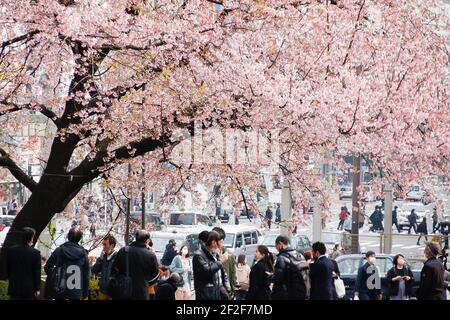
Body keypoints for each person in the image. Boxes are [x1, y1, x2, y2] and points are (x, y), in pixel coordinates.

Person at [110, 229, 160, 300]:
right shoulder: (151, 255)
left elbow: (113, 271)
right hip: (141, 293)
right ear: (147, 241)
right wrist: (145, 283)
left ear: (135, 238)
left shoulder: (123, 251)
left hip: (123, 292)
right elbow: (155, 276)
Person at [44, 228, 89, 300]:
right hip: (75, 290)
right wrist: (85, 294)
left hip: (59, 288)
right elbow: (86, 275)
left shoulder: (59, 250)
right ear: (80, 238)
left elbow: (47, 267)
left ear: (68, 236)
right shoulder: (83, 254)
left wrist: (55, 275)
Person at [6, 227, 41, 300]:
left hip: (14, 286)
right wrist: (37, 288)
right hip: (29, 288)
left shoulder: (11, 250)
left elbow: (8, 268)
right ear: (31, 238)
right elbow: (37, 272)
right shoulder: (35, 253)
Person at [192, 230, 229, 300]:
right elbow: (207, 271)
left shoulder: (215, 254)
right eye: (220, 242)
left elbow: (221, 275)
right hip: (206, 295)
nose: (221, 245)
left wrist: (227, 290)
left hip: (217, 293)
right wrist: (220, 261)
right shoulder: (198, 256)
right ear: (213, 243)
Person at [270, 235, 308, 300]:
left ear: (280, 244)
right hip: (302, 292)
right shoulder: (300, 255)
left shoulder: (282, 258)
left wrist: (270, 277)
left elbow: (278, 278)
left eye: (276, 246)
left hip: (287, 294)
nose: (276, 248)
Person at [91, 234, 118, 300]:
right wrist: (100, 259)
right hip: (102, 290)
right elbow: (94, 270)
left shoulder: (118, 257)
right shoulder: (103, 257)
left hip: (113, 291)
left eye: (105, 244)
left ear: (112, 246)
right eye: (103, 244)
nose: (103, 247)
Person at [212, 227, 236, 297]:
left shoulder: (229, 255)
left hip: (225, 292)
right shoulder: (206, 255)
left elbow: (233, 275)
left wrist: (232, 291)